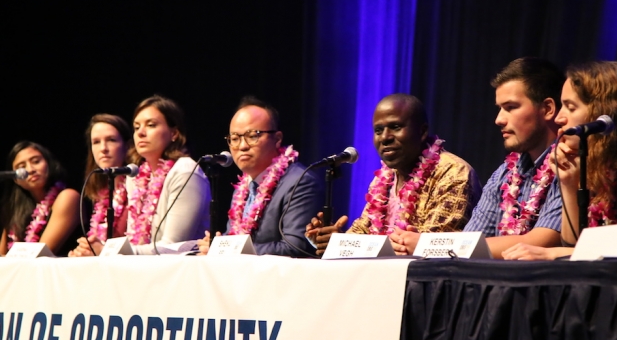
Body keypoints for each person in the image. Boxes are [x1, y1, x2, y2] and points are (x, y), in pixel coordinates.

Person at [305, 93, 481, 256]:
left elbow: (434, 246)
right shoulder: (384, 179)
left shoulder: (453, 172)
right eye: (378, 130)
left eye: (395, 127)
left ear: (422, 131)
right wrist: (334, 241)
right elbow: (363, 231)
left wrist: (354, 245)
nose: (385, 138)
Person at [503, 61, 617, 260]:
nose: (559, 118)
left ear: (602, 112)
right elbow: (574, 244)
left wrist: (553, 254)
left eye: (570, 107)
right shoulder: (595, 163)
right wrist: (568, 184)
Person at [437, 57, 566, 259]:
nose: (499, 119)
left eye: (511, 107)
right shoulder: (505, 173)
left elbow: (542, 240)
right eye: (499, 108)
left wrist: (430, 244)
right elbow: (472, 237)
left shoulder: (569, 163)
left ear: (548, 109)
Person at [73, 95, 210, 255]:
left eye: (151, 125)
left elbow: (174, 246)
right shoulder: (136, 177)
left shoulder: (185, 171)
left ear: (174, 133)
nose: (141, 133)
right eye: (136, 127)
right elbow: (135, 240)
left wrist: (108, 252)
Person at [197, 96, 323, 257]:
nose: (242, 146)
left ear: (277, 139)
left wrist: (227, 250)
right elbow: (235, 239)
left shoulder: (301, 182)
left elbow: (296, 246)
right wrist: (220, 245)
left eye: (252, 136)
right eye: (235, 139)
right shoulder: (243, 189)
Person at [0, 141, 80, 256]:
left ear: (49, 164)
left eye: (36, 161)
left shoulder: (68, 197)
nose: (30, 169)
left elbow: (39, 254)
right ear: (15, 179)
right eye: (21, 167)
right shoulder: (14, 211)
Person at [68, 114, 131, 257]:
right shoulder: (102, 194)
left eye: (111, 140)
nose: (103, 148)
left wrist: (100, 251)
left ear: (127, 145)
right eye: (96, 142)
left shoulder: (137, 190)